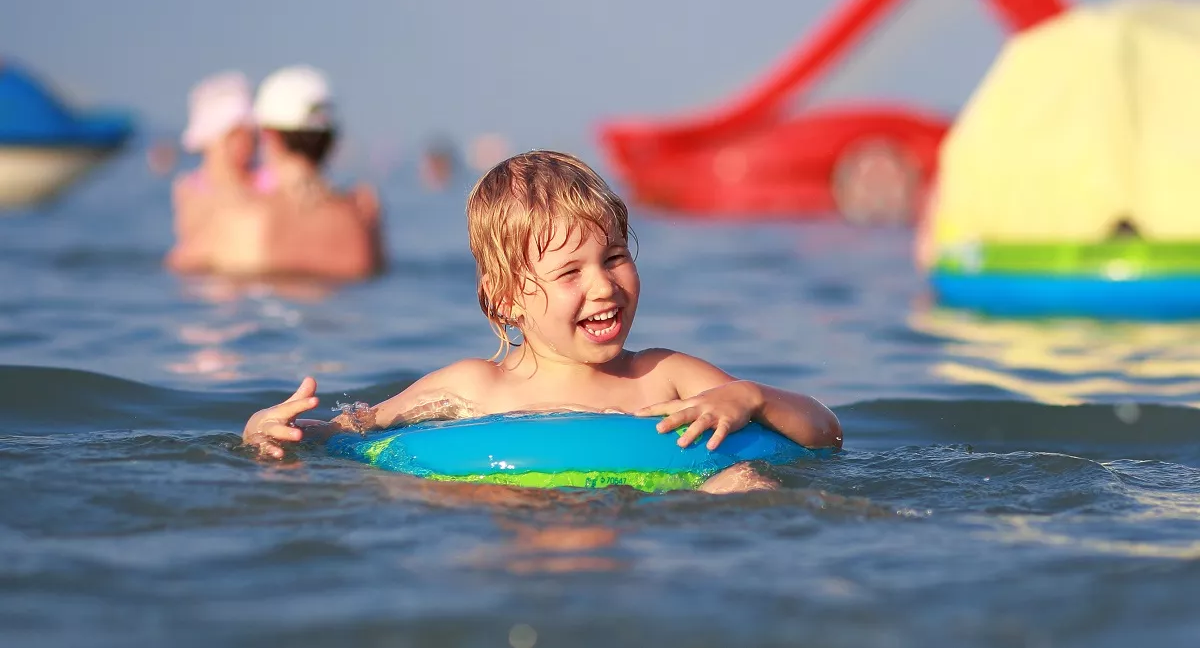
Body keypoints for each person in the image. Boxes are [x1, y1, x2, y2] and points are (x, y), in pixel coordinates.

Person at [241, 150, 842, 493]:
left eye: (614, 257)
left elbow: (825, 432)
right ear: (505, 299)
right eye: (570, 273)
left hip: (657, 541)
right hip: (519, 530)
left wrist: (751, 397)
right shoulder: (474, 388)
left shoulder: (669, 377)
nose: (604, 285)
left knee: (740, 485)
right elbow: (356, 433)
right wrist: (284, 433)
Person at [170, 65, 385, 280]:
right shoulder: (365, 218)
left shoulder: (241, 222)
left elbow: (180, 268)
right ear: (332, 140)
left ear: (268, 136)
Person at [166, 72, 260, 269]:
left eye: (250, 134)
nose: (245, 143)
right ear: (210, 139)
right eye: (233, 135)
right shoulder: (189, 189)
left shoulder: (267, 182)